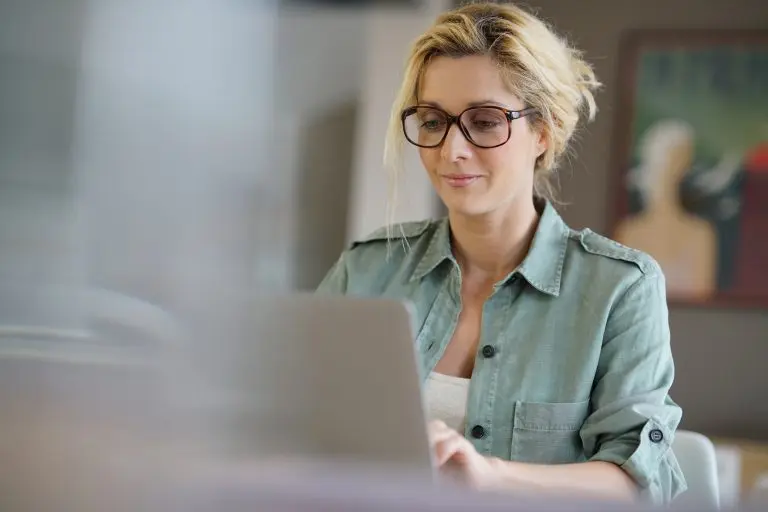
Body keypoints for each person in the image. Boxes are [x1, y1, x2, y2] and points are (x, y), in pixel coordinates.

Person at [317, 1, 686, 504]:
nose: (451, 150)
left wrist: (491, 476)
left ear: (543, 132)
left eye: (486, 121)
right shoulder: (364, 270)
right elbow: (293, 426)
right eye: (433, 121)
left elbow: (641, 483)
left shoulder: (621, 289)